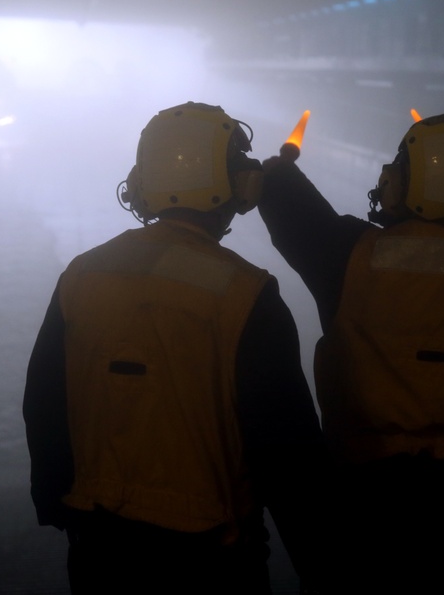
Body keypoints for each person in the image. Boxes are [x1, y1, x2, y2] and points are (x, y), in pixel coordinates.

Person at [23, 102, 329, 594]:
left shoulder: (82, 274)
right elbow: (287, 453)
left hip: (100, 548)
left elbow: (43, 402)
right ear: (240, 184)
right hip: (211, 559)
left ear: (140, 185)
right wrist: (321, 563)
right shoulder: (245, 294)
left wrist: (56, 502)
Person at [257, 112, 444, 594]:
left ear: (395, 183)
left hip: (366, 506)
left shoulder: (351, 256)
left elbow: (284, 199)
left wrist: (281, 163)